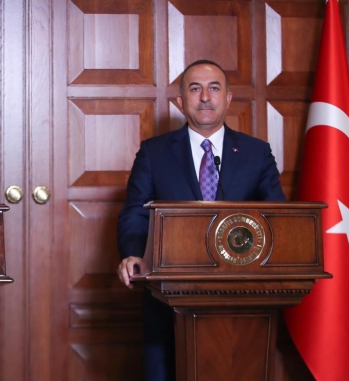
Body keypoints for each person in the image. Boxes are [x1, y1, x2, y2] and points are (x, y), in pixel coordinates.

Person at [116, 59, 285, 381]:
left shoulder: (256, 152)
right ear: (181, 102)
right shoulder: (154, 152)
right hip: (168, 293)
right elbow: (136, 212)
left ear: (228, 99)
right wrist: (134, 253)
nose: (205, 97)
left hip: (242, 295)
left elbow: (277, 216)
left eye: (214, 88)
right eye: (195, 89)